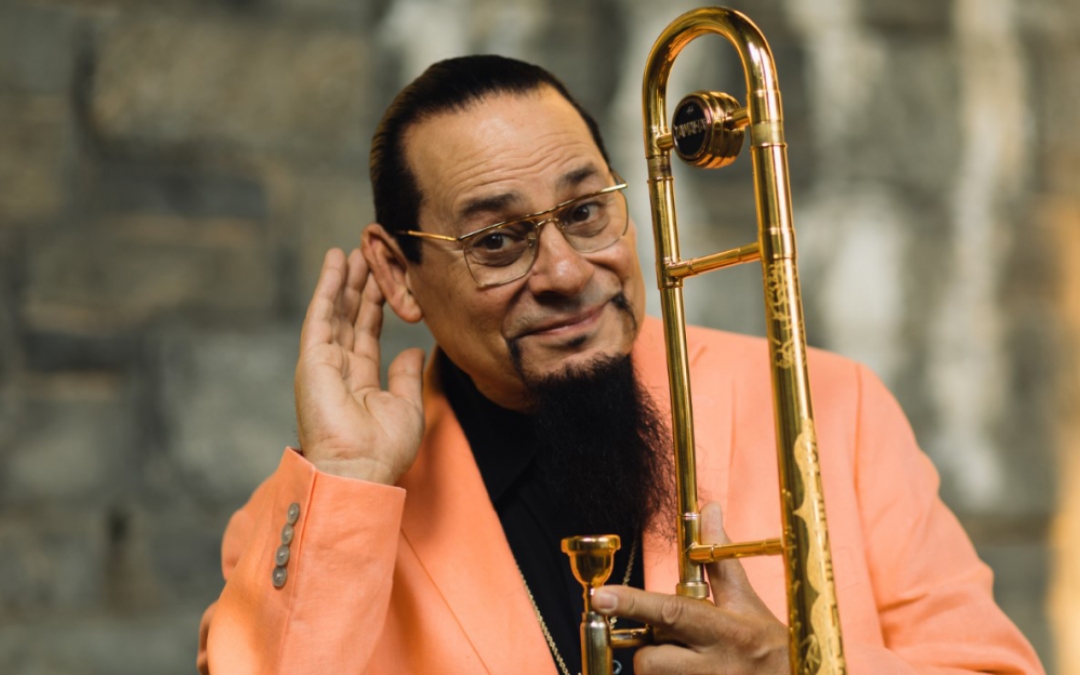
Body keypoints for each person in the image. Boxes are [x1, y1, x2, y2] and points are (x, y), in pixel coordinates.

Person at [197, 55, 1044, 675]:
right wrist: (348, 479)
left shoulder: (835, 408)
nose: (567, 273)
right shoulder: (315, 512)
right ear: (397, 274)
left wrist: (797, 669)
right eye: (498, 240)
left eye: (586, 212)